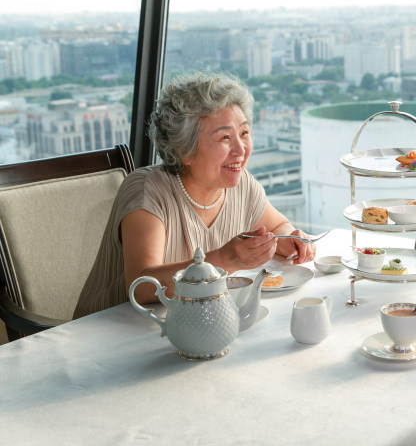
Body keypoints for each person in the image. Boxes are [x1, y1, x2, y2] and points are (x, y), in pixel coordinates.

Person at [74, 72, 315, 318]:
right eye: (224, 137)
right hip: (113, 331)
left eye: (244, 132)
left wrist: (287, 240)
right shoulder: (147, 191)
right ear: (184, 151)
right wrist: (226, 258)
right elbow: (143, 286)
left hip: (194, 322)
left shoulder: (242, 184)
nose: (241, 149)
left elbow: (277, 226)